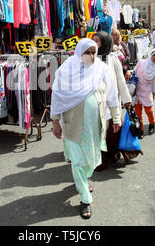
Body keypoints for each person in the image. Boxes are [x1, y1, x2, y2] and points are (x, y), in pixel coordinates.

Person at [51, 38, 122, 220]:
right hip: (72, 126)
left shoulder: (101, 70)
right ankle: (85, 198)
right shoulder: (65, 71)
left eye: (93, 52)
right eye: (87, 52)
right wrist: (56, 122)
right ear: (78, 52)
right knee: (78, 160)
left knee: (90, 162)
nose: (90, 56)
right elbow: (57, 97)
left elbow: (112, 94)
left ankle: (82, 180)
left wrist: (115, 117)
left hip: (95, 127)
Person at [92, 32, 132, 168]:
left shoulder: (113, 58)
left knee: (113, 131)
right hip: (96, 101)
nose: (94, 44)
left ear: (105, 42)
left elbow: (120, 79)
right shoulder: (89, 58)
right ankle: (100, 158)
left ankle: (113, 152)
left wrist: (127, 99)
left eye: (97, 41)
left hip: (112, 100)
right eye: (93, 41)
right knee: (99, 131)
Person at [132, 48, 155, 136]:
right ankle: (140, 130)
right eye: (154, 55)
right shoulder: (141, 62)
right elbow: (134, 71)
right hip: (137, 90)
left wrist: (153, 97)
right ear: (151, 55)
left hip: (147, 92)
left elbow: (154, 87)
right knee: (138, 112)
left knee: (149, 111)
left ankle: (152, 124)